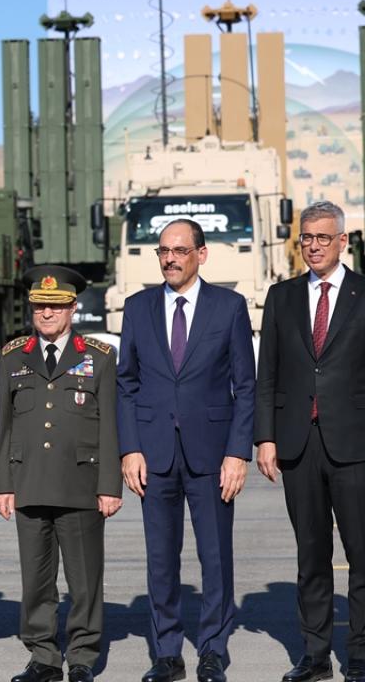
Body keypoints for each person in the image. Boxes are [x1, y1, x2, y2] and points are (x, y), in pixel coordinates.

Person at [253, 201, 365, 682]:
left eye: (323, 238)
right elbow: (267, 373)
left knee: (363, 554)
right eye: (307, 238)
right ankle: (315, 656)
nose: (314, 246)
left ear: (343, 241)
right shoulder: (281, 297)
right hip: (299, 444)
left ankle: (358, 657)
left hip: (357, 445)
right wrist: (265, 437)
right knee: (311, 556)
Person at [116, 219, 255, 682]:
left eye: (179, 250)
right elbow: (126, 384)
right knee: (161, 559)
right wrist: (130, 448)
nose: (170, 259)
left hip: (212, 455)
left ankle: (213, 649)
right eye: (163, 251)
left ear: (201, 254)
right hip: (153, 454)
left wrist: (237, 453)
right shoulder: (137, 308)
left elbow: (245, 385)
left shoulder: (229, 307)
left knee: (215, 557)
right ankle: (167, 653)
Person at [0, 266, 122, 682]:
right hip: (28, 482)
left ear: (72, 308)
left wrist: (109, 485)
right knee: (35, 579)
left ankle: (82, 656)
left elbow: (109, 426)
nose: (47, 313)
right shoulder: (13, 356)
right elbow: (4, 424)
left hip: (80, 484)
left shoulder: (98, 356)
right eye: (39, 306)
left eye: (56, 306)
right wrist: (3, 484)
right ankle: (43, 656)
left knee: (84, 579)